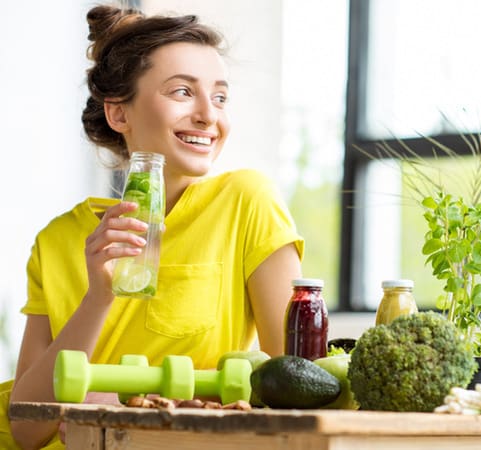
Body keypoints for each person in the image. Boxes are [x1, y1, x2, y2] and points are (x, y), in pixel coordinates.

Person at [0, 4, 303, 449]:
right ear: (119, 114)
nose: (208, 115)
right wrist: (98, 296)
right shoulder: (58, 240)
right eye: (183, 92)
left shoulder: (248, 203)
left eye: (220, 97)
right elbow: (27, 430)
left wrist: (125, 401)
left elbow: (299, 384)